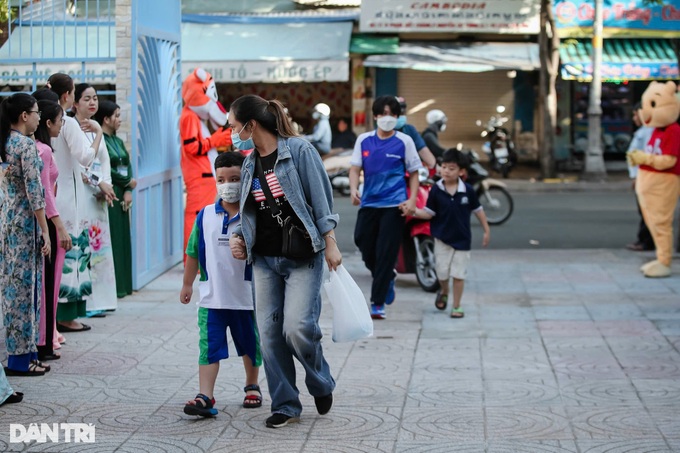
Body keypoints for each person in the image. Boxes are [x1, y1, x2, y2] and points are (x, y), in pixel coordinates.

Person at [227, 94, 342, 429]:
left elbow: (321, 201)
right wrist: (238, 236)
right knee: (269, 334)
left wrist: (331, 242)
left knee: (298, 328)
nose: (232, 133)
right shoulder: (249, 163)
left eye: (234, 126)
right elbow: (247, 212)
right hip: (264, 259)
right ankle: (286, 404)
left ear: (250, 125)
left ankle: (320, 381)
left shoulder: (300, 151)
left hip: (304, 255)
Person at [180, 152, 262, 417]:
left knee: (251, 344)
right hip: (212, 298)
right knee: (209, 346)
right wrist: (187, 285)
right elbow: (193, 251)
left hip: (247, 298)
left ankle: (252, 385)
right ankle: (205, 395)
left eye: (235, 179)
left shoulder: (255, 215)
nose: (228, 184)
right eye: (222, 179)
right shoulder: (204, 216)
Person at [349, 95, 422, 320]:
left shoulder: (404, 141)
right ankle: (387, 275)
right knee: (362, 240)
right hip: (370, 202)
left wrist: (411, 201)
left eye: (392, 114)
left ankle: (377, 302)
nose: (386, 118)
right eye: (383, 114)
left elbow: (415, 172)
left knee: (385, 252)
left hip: (394, 205)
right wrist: (353, 189)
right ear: (375, 116)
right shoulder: (364, 140)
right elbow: (354, 168)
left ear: (398, 117)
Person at [0, 93, 51, 376]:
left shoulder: (4, 142)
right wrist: (45, 230)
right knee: (27, 291)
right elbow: (35, 193)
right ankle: (21, 359)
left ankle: (25, 355)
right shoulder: (25, 146)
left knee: (12, 291)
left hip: (7, 224)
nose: (38, 117)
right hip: (26, 227)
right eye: (35, 112)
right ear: (23, 116)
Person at [47, 73, 101, 332]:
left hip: (51, 194)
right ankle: (66, 316)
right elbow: (86, 156)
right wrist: (98, 133)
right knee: (71, 256)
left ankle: (52, 318)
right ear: (68, 96)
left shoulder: (43, 120)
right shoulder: (66, 122)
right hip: (69, 195)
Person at [408, 149, 490, 318]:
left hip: (462, 240)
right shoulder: (436, 191)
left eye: (451, 168)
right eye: (444, 167)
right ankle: (444, 290)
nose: (446, 171)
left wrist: (486, 230)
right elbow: (428, 213)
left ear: (461, 172)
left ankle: (457, 306)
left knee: (459, 275)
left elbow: (478, 210)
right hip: (441, 239)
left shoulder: (467, 190)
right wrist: (413, 211)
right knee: (442, 274)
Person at [68, 83, 118, 317]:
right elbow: (79, 165)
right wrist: (100, 182)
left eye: (95, 98)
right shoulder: (71, 128)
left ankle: (102, 299)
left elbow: (104, 159)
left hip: (98, 196)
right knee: (86, 247)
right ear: (75, 103)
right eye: (86, 98)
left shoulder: (95, 127)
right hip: (83, 195)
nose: (92, 103)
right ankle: (87, 302)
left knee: (101, 249)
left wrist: (106, 186)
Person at [34, 99, 73, 362]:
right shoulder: (44, 151)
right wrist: (59, 227)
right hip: (47, 220)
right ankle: (44, 343)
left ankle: (42, 339)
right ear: (48, 123)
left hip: (40, 220)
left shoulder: (32, 148)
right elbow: (46, 193)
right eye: (60, 121)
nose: (62, 125)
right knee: (49, 285)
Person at [95, 100, 135, 298]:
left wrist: (128, 189)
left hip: (122, 194)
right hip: (109, 191)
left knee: (123, 240)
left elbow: (128, 165)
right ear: (106, 119)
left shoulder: (118, 142)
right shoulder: (99, 140)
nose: (119, 120)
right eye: (116, 116)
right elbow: (104, 168)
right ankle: (115, 287)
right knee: (112, 239)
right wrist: (127, 180)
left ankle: (125, 285)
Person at [625, 103, 655, 252]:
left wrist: (636, 176)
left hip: (646, 177)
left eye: (636, 114)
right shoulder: (643, 131)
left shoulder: (649, 131)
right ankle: (645, 240)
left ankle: (646, 241)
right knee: (644, 210)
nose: (634, 118)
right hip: (641, 176)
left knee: (647, 211)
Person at [395, 97, 437, 170]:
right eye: (397, 113)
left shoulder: (409, 130)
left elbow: (423, 150)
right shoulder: (380, 133)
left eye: (402, 113)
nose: (400, 116)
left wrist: (435, 167)